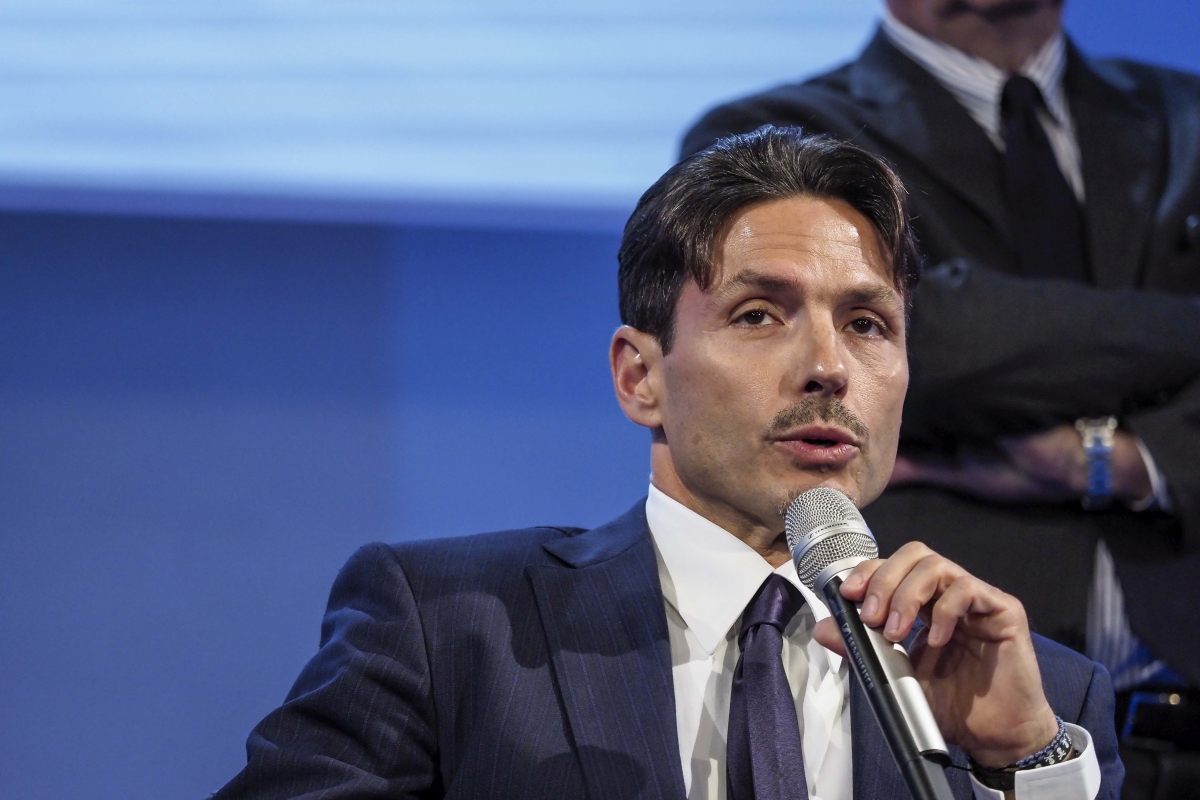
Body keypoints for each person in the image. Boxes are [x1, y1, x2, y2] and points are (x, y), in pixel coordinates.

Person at [214, 128, 1121, 799]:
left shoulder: (1040, 698)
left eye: (867, 323)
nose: (829, 367)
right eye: (759, 314)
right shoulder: (450, 625)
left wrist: (1024, 765)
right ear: (639, 377)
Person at [681, 0, 1200, 702]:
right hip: (930, 703)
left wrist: (1113, 463)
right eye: (868, 317)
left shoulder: (1186, 119)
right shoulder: (774, 133)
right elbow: (939, 341)